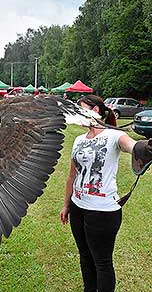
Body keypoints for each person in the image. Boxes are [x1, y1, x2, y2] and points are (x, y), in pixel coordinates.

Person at [60, 94, 136, 292]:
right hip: (78, 207)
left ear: (94, 110)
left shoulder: (114, 135)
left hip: (103, 212)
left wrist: (142, 148)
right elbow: (71, 176)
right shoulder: (78, 140)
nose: (76, 114)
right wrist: (67, 204)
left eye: (80, 108)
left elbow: (132, 146)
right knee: (84, 255)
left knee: (102, 262)